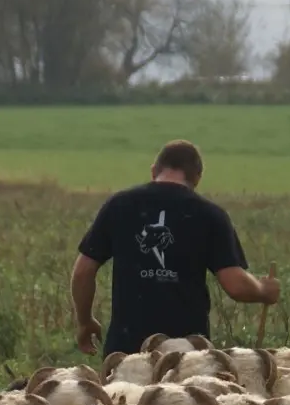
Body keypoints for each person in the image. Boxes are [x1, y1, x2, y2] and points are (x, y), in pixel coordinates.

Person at [71, 140, 279, 357]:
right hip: (186, 352)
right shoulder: (209, 215)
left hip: (126, 348)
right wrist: (263, 291)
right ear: (197, 177)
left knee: (124, 393)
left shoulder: (119, 205)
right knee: (182, 393)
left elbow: (83, 272)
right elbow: (235, 285)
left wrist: (85, 321)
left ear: (154, 171)